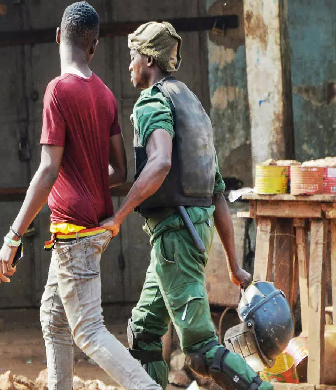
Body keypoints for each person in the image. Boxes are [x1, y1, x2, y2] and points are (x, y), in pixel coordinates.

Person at [0, 3, 162, 390]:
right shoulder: (104, 94)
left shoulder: (58, 90)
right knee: (54, 317)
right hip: (92, 230)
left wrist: (13, 236)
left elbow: (48, 169)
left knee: (88, 331)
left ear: (58, 35)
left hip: (73, 234)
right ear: (94, 46)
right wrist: (88, 176)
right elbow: (119, 172)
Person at [100, 22, 273, 390]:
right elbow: (217, 193)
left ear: (148, 59)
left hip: (175, 237)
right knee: (144, 332)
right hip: (188, 234)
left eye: (133, 57)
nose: (130, 65)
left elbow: (160, 163)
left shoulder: (152, 102)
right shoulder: (191, 103)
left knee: (199, 351)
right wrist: (233, 265)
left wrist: (118, 215)